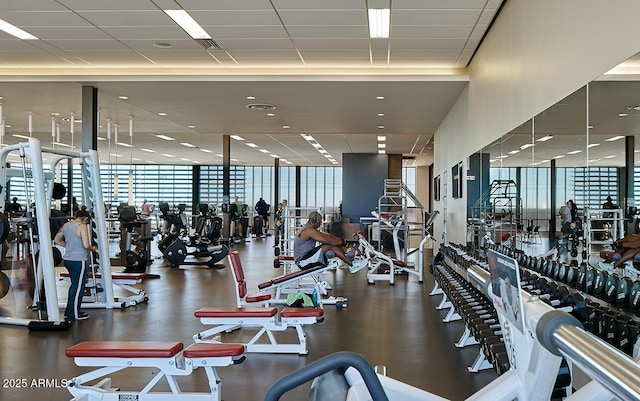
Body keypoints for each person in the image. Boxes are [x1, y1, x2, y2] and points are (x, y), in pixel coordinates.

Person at [54, 207, 97, 321]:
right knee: (78, 287)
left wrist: (68, 246)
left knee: (74, 286)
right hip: (79, 260)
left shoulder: (66, 225)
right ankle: (74, 314)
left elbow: (57, 239)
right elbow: (86, 245)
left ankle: (70, 311)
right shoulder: (82, 226)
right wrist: (93, 248)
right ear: (85, 218)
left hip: (68, 260)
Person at [293, 211, 363, 271]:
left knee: (330, 244)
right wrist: (344, 242)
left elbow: (328, 237)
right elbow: (326, 240)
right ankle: (352, 265)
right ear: (314, 220)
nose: (320, 223)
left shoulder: (310, 229)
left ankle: (351, 258)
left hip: (307, 257)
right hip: (302, 262)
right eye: (320, 221)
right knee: (328, 245)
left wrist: (345, 242)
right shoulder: (308, 231)